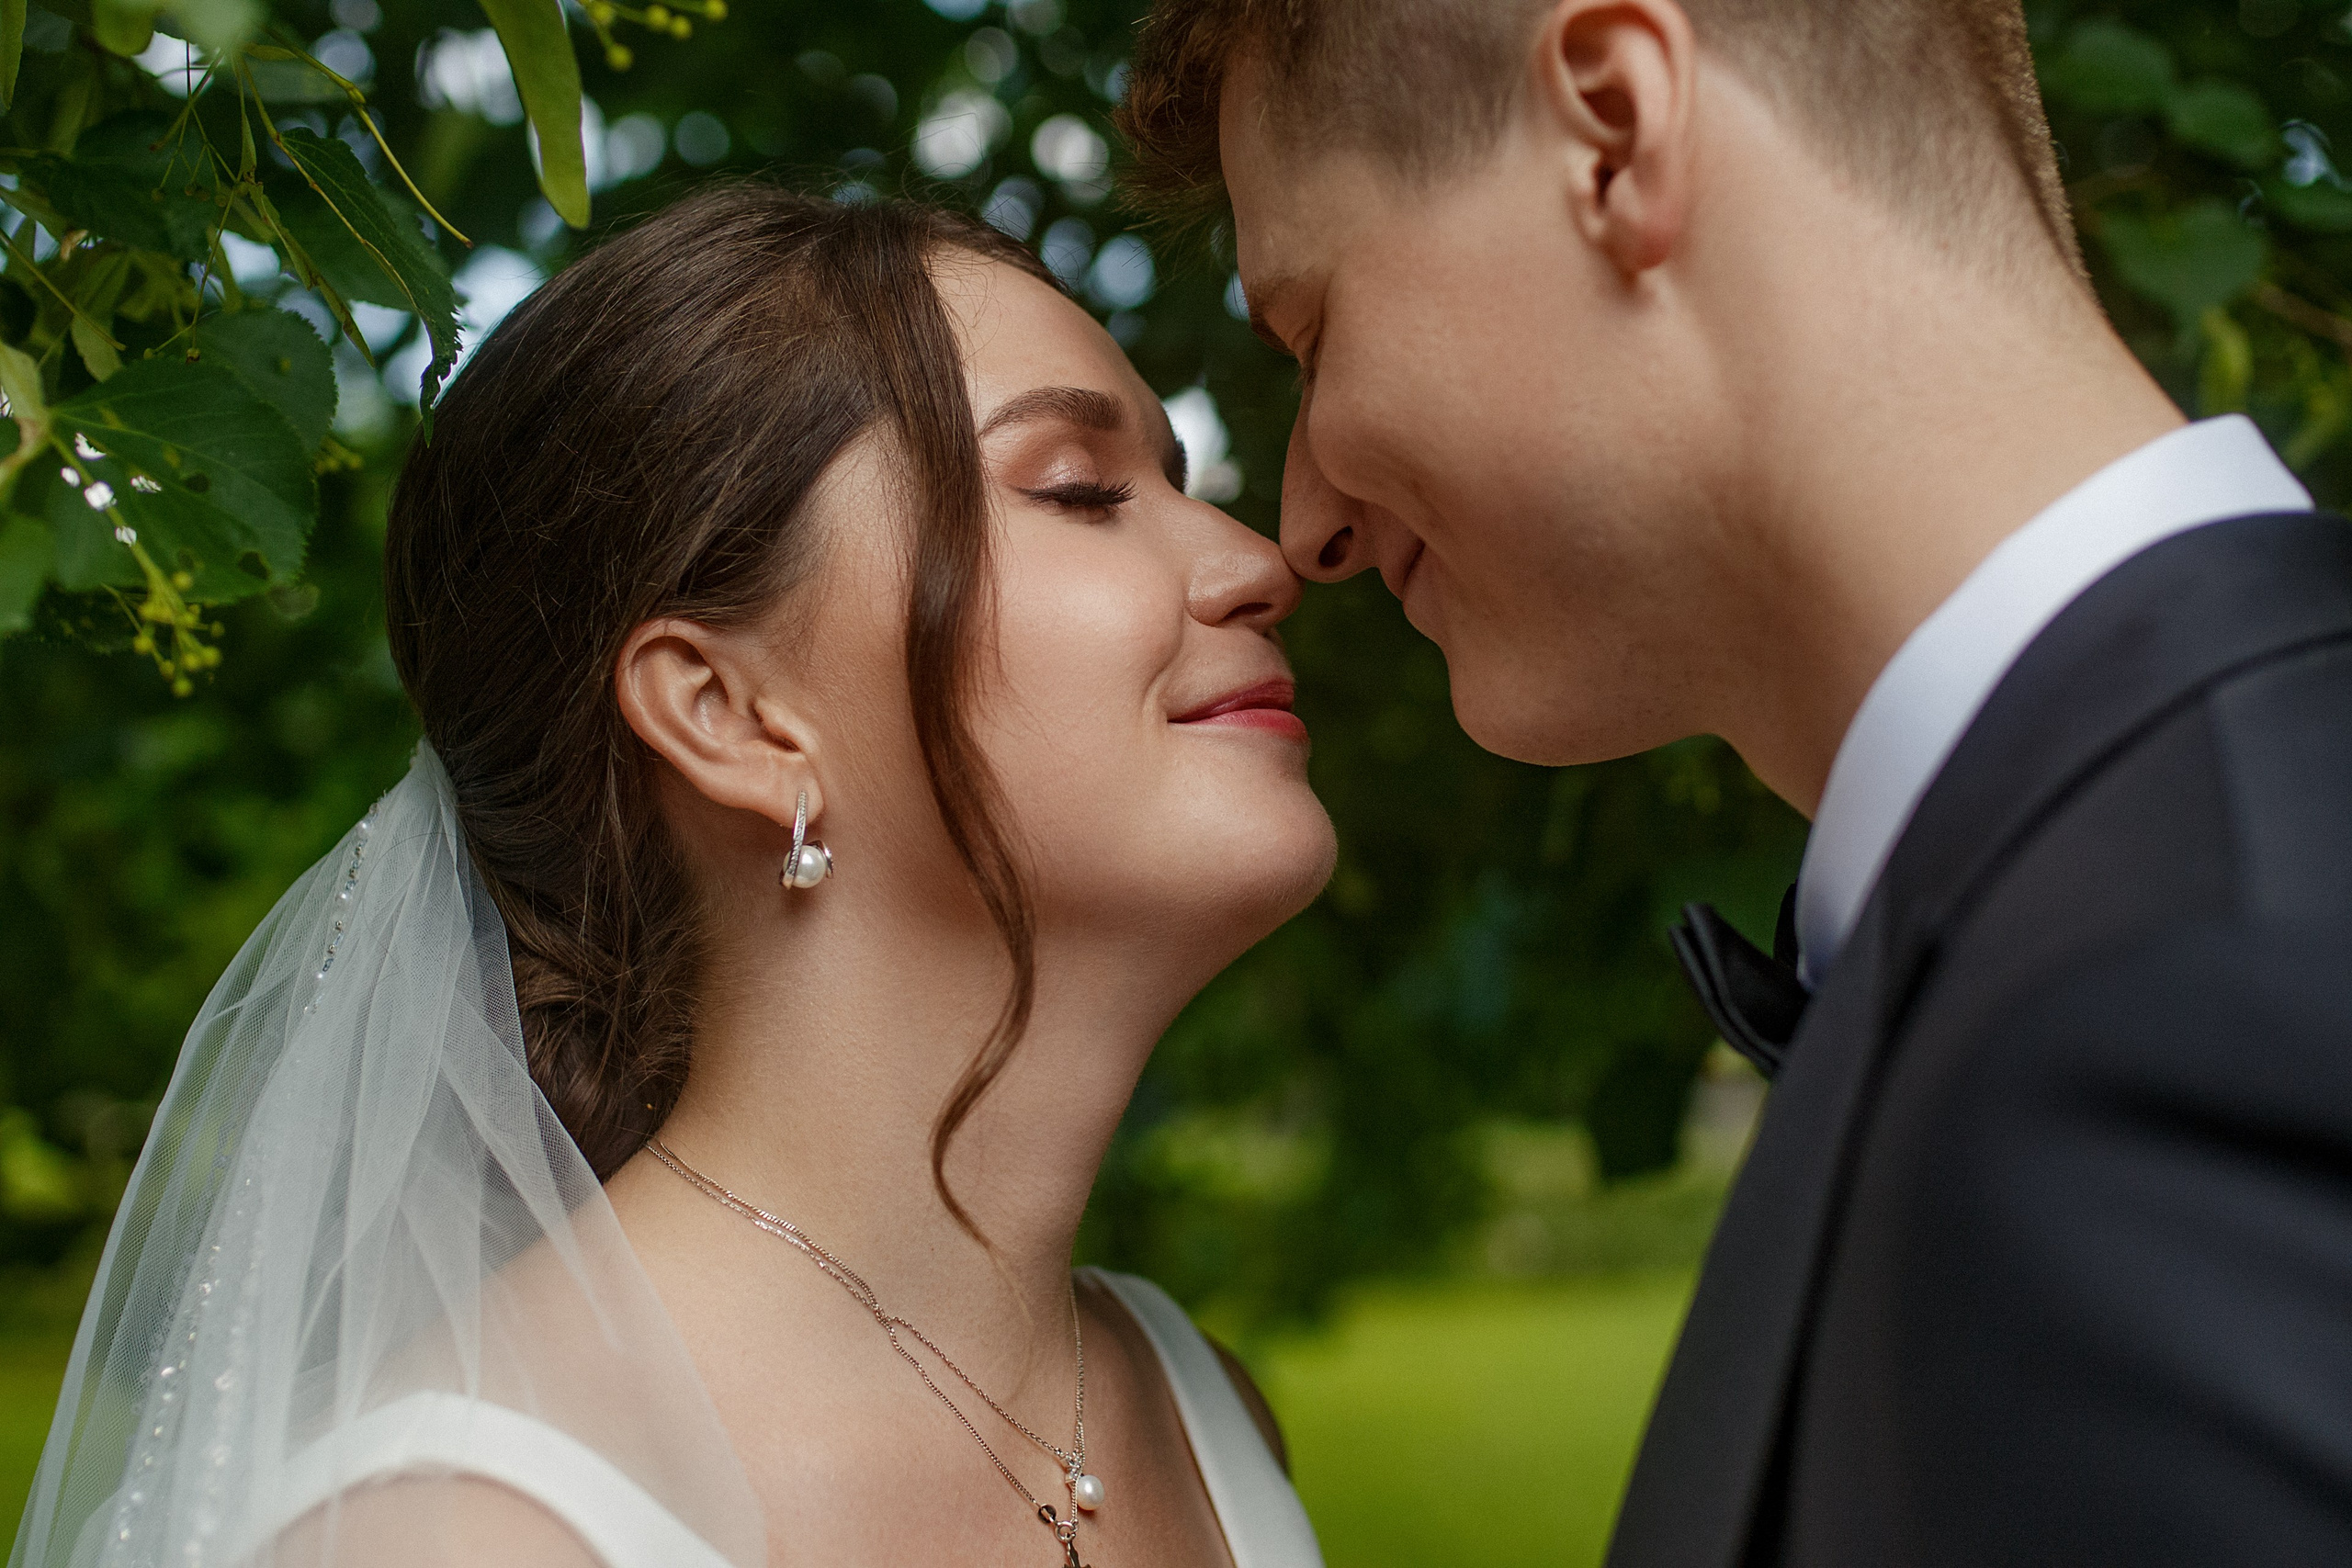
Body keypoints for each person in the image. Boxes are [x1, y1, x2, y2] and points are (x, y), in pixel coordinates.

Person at [1119, 1, 2352, 1563]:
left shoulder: (2207, 997)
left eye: (1311, 331)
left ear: (1617, 132)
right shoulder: (2119, 897)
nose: (1306, 527)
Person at [11, 186, 1335, 1568]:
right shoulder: (453, 1541)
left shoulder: (1204, 1416)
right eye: (1080, 492)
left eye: (1184, 482)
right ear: (729, 715)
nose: (1256, 563)